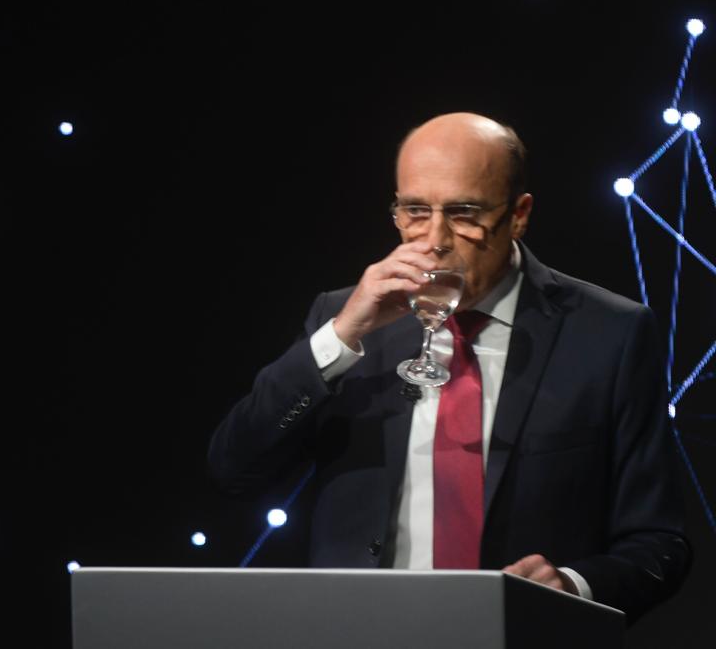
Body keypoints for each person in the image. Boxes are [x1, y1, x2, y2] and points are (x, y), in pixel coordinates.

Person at [208, 112, 691, 625]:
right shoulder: (343, 318)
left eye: (463, 213)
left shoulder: (609, 333)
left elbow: (660, 543)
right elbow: (234, 468)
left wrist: (571, 586)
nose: (434, 238)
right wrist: (343, 336)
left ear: (519, 214)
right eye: (415, 210)